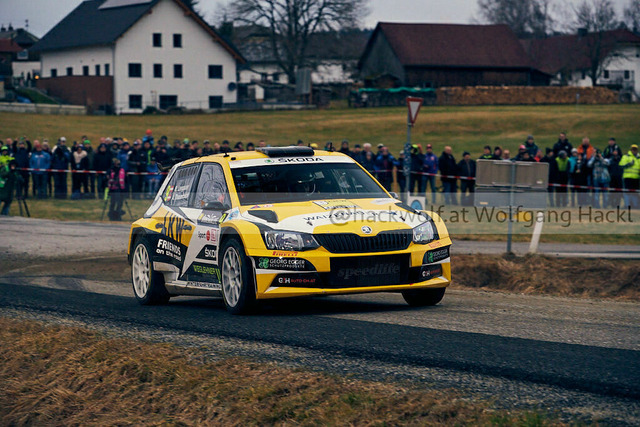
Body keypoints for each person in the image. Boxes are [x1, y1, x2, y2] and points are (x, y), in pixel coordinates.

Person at [576, 138, 595, 206]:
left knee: (588, 187)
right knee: (581, 188)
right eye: (584, 141)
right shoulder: (579, 148)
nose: (585, 142)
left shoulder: (591, 149)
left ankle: (589, 201)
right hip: (581, 172)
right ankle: (581, 201)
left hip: (589, 170)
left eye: (586, 141)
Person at [620, 144, 640, 209]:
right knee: (627, 192)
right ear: (631, 150)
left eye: (635, 149)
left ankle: (635, 205)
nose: (634, 150)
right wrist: (628, 164)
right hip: (627, 177)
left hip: (636, 178)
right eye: (633, 149)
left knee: (635, 192)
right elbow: (621, 164)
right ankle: (627, 205)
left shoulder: (639, 158)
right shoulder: (626, 156)